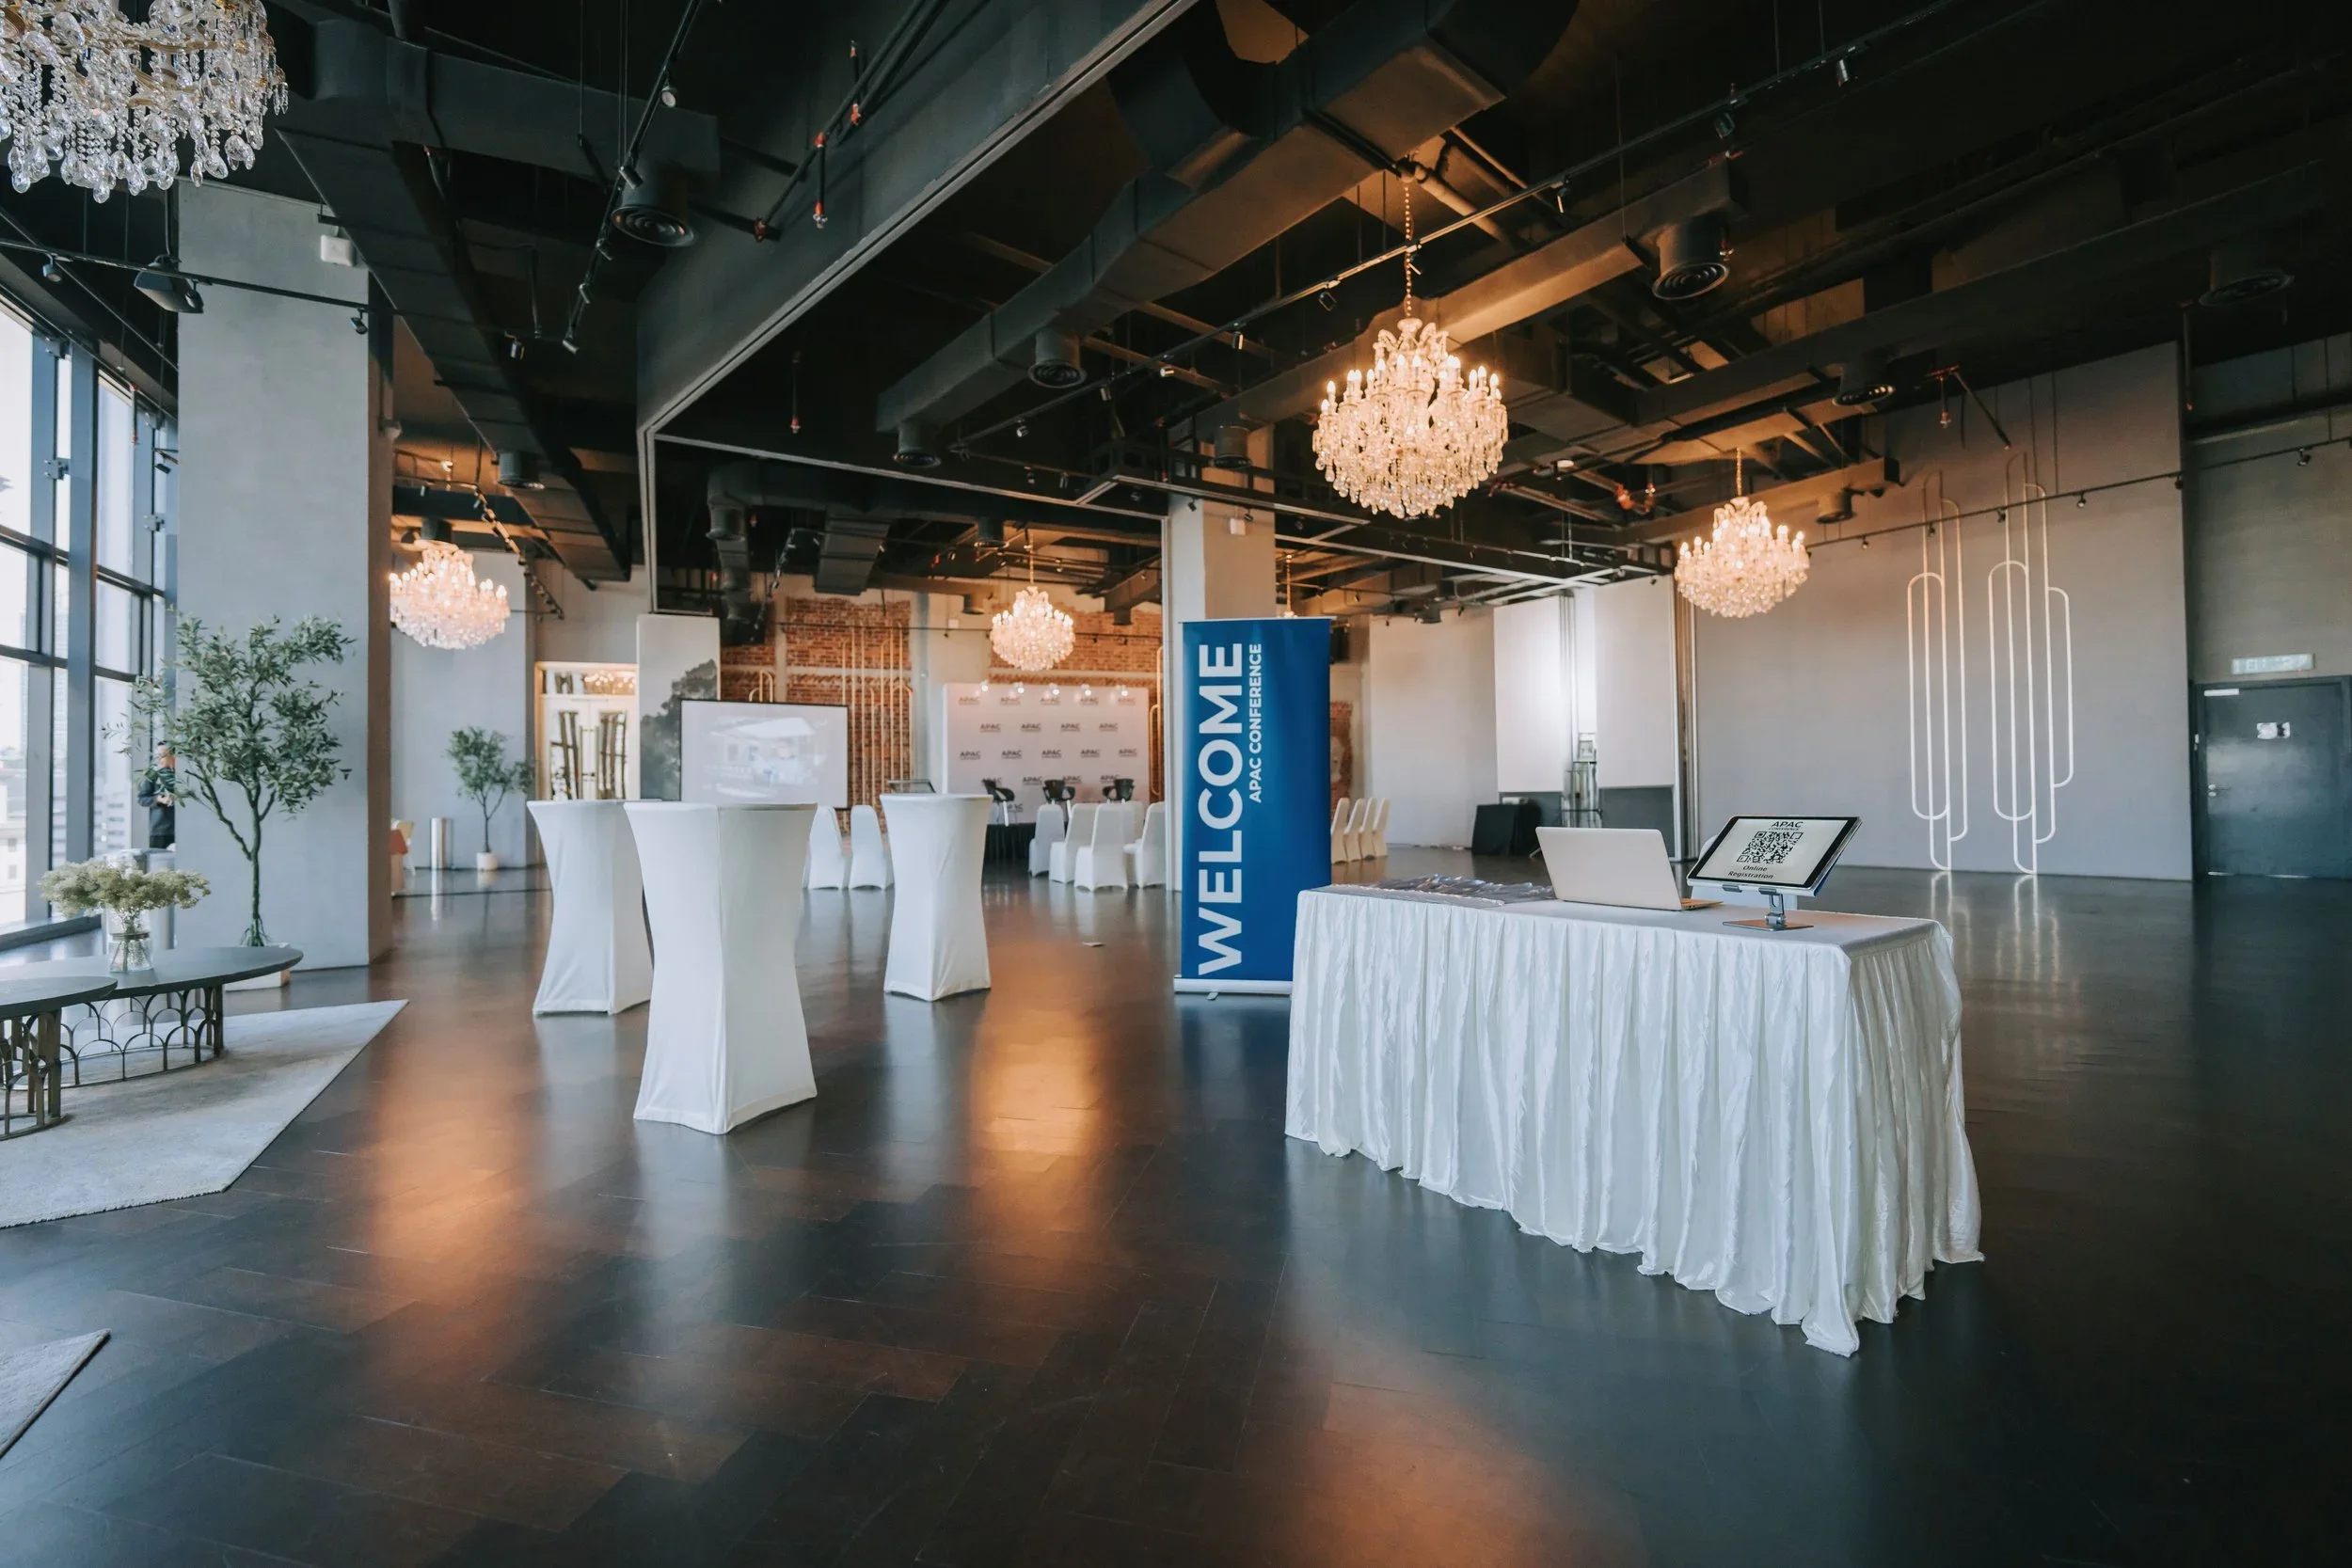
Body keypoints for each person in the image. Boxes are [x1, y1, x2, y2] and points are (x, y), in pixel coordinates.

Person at [138, 744, 176, 850]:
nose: (158, 759)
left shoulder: (182, 775)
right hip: (160, 830)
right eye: (157, 756)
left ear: (173, 756)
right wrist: (158, 799)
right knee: (160, 863)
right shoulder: (153, 775)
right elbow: (142, 799)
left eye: (162, 756)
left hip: (182, 828)